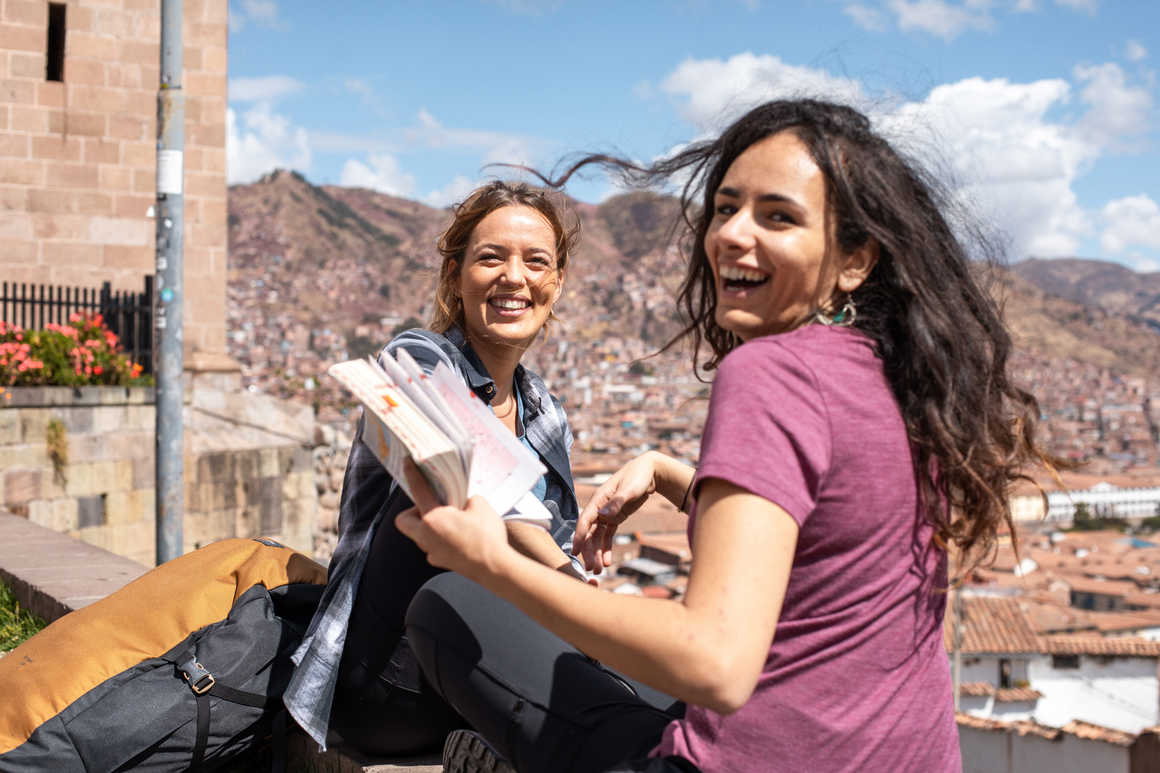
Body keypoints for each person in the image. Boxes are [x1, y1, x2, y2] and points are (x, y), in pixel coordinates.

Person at [394, 99, 1058, 772]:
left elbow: (714, 662)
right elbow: (823, 535)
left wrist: (491, 563)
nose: (733, 235)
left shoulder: (773, 370)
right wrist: (670, 473)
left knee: (449, 606)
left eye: (778, 216)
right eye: (725, 207)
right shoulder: (908, 381)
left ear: (855, 258)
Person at [283, 180, 587, 756]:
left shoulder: (545, 413)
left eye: (536, 262)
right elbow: (490, 491)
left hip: (485, 670)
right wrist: (582, 595)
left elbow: (551, 539)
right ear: (456, 275)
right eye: (491, 257)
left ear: (557, 283)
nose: (514, 277)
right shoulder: (415, 357)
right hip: (384, 677)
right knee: (443, 475)